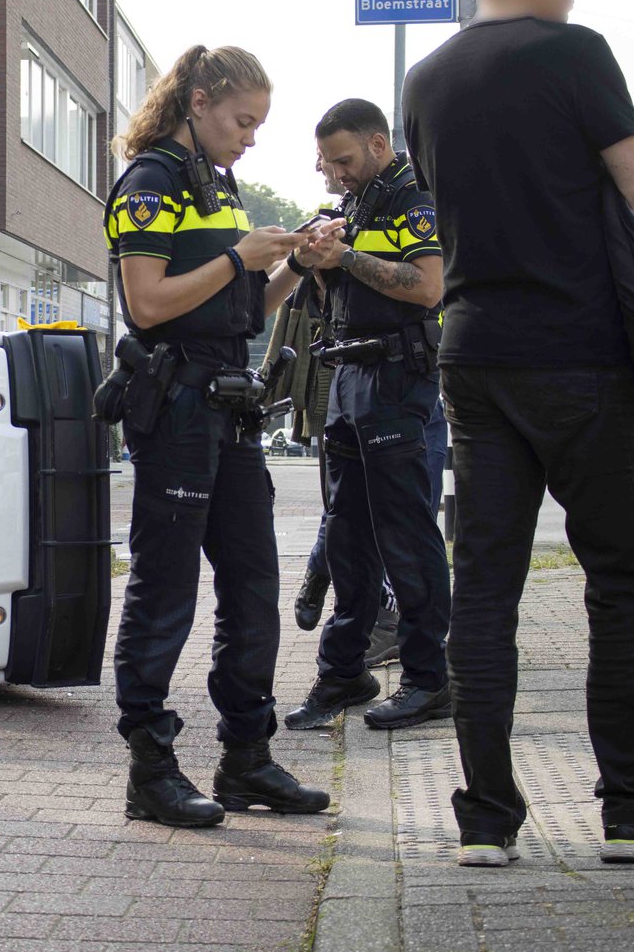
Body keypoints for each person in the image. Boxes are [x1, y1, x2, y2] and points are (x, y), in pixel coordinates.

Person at [405, 0, 634, 866]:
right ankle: (633, 813)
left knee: (484, 591)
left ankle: (487, 823)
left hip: (473, 355)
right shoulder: (577, 55)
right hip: (582, 355)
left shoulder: (426, 79)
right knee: (620, 577)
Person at [104, 44, 338, 827]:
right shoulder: (151, 182)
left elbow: (244, 308)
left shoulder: (220, 184)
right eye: (243, 120)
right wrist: (238, 255)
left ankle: (247, 758)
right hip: (176, 405)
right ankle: (150, 768)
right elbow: (147, 303)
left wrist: (295, 263)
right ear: (199, 101)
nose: (249, 137)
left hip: (229, 403)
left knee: (253, 585)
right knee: (164, 587)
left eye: (258, 125)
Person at [285, 98, 452, 732]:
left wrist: (345, 258)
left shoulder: (414, 200)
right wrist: (320, 254)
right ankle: (344, 673)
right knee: (346, 534)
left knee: (406, 535)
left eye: (345, 161)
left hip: (398, 381)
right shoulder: (357, 204)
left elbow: (429, 286)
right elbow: (339, 291)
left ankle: (428, 680)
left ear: (380, 144)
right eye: (326, 164)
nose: (336, 174)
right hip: (348, 376)